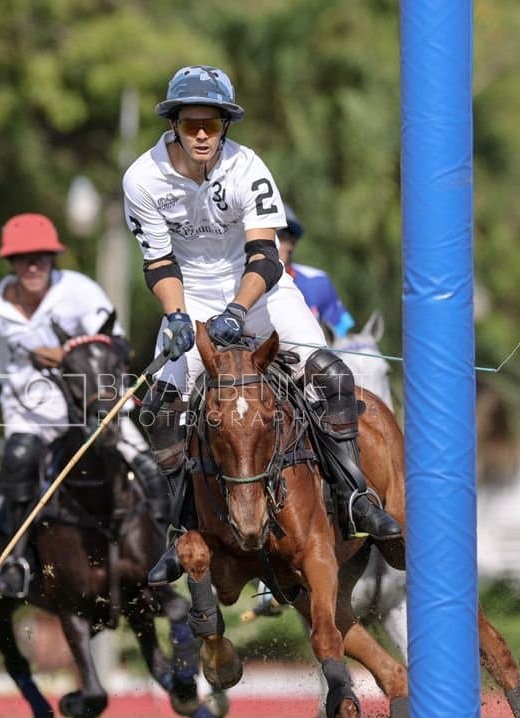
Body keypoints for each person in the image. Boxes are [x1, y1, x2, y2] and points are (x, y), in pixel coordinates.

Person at [122, 65, 402, 585]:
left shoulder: (248, 167)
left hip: (259, 290)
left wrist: (236, 310)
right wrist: (178, 316)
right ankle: (178, 529)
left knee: (333, 379)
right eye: (191, 124)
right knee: (160, 411)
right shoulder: (141, 178)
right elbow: (159, 265)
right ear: (175, 125)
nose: (202, 134)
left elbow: (267, 258)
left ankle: (355, 497)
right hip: (188, 298)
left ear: (225, 126)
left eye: (212, 123)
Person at [0, 212, 160, 597]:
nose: (33, 265)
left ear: (52, 259)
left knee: (148, 467)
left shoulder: (78, 291)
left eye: (42, 257)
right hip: (30, 416)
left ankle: (170, 549)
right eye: (24, 258)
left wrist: (64, 355)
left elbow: (115, 345)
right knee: (17, 461)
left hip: (95, 409)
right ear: (10, 263)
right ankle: (18, 561)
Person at [277, 205, 356, 342]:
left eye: (287, 235)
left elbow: (339, 340)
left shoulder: (318, 282)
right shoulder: (233, 281)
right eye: (276, 232)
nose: (282, 242)